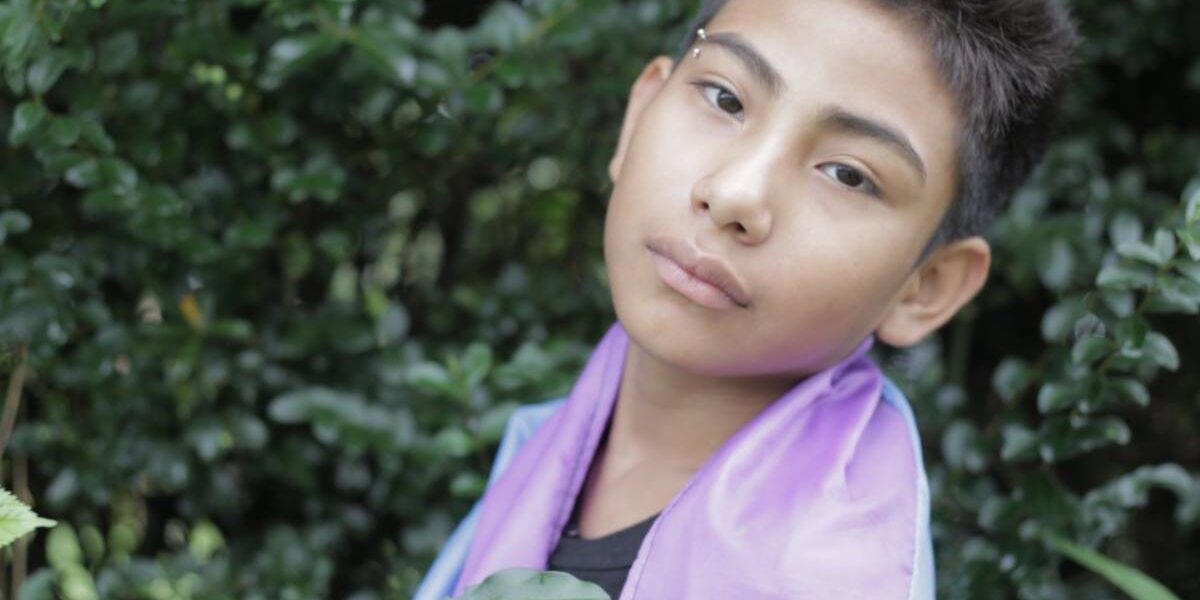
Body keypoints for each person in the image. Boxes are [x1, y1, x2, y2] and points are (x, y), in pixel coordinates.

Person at [416, 0, 1078, 597]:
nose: (735, 193)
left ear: (924, 288)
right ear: (638, 115)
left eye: (848, 175)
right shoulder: (548, 444)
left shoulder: (829, 580)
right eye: (725, 99)